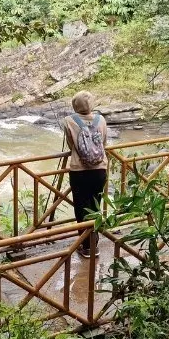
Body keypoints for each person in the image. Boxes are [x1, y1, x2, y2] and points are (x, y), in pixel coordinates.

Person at [62, 91, 108, 258]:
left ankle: (86, 246)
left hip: (79, 171)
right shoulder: (101, 119)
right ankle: (94, 243)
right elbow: (103, 143)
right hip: (100, 169)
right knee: (95, 206)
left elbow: (71, 144)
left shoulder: (69, 120)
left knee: (81, 208)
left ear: (75, 105)